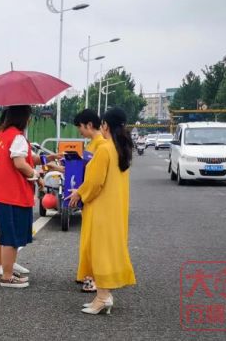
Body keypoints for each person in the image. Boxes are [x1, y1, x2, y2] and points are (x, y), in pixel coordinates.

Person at [67, 107, 136, 314]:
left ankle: (103, 297)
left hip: (101, 209)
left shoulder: (105, 149)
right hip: (115, 209)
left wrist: (78, 193)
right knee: (108, 251)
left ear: (105, 125)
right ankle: (103, 295)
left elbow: (94, 182)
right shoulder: (120, 148)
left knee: (100, 253)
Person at [0, 105, 44, 288]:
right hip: (12, 194)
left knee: (3, 233)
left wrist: (46, 159)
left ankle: (2, 267)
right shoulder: (17, 137)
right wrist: (35, 174)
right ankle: (8, 277)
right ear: (23, 118)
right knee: (11, 236)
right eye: (29, 117)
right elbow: (20, 162)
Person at [72, 109, 106, 293]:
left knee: (94, 242)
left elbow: (95, 180)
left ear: (90, 125)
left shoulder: (102, 146)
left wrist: (80, 193)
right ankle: (86, 273)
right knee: (87, 240)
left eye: (81, 128)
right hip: (89, 200)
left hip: (96, 200)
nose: (80, 132)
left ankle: (94, 277)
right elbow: (85, 173)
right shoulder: (92, 145)